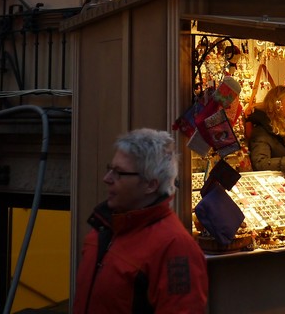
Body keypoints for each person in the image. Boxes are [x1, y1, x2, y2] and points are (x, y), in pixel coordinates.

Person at [72, 128, 208, 314]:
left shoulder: (175, 246)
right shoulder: (103, 226)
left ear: (150, 185)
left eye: (119, 173)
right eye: (110, 169)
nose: (107, 178)